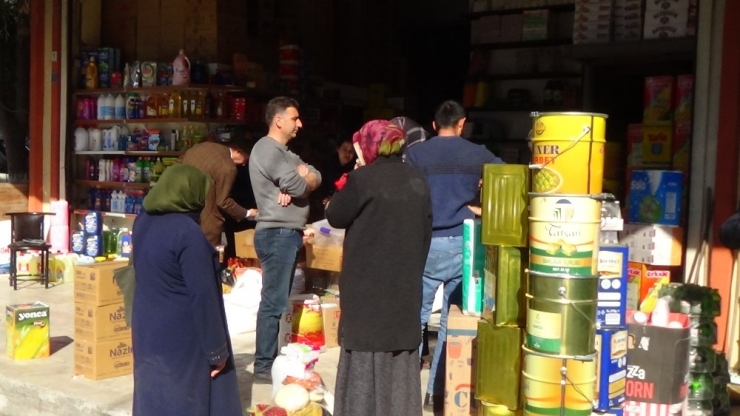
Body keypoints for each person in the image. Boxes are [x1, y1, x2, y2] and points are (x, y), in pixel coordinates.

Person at [326, 120, 432, 416]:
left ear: (370, 146)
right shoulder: (417, 180)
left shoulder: (362, 180)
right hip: (403, 294)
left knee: (363, 371)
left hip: (366, 298)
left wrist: (355, 174)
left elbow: (334, 214)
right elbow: (425, 236)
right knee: (399, 374)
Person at [405, 100, 504, 413]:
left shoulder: (417, 153)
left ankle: (406, 390)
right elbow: (506, 177)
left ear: (434, 125)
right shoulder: (478, 153)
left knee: (416, 318)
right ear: (462, 124)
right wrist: (479, 202)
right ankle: (438, 392)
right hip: (464, 242)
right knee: (452, 322)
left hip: (426, 243)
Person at [131, 164, 242, 416]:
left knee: (154, 393)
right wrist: (217, 351)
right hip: (181, 333)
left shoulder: (143, 221)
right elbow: (204, 297)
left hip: (146, 325)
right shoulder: (187, 233)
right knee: (184, 396)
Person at [249, 96, 321, 383]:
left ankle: (271, 361)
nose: (299, 124)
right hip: (277, 232)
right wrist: (299, 180)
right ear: (278, 120)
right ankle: (264, 366)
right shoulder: (268, 150)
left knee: (277, 300)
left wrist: (304, 179)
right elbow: (298, 184)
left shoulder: (285, 153)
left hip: (285, 232)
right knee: (274, 302)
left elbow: (314, 175)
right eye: (294, 118)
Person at [180, 134, 257, 246]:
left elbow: (177, 165)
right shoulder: (228, 167)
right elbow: (223, 202)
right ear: (238, 152)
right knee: (206, 257)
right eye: (247, 158)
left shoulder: (200, 147)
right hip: (208, 224)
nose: (245, 163)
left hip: (184, 216)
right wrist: (247, 213)